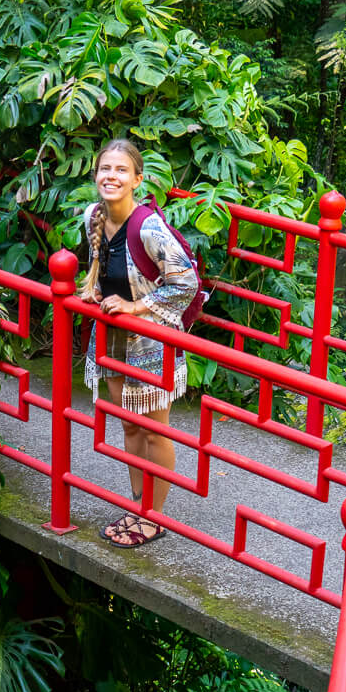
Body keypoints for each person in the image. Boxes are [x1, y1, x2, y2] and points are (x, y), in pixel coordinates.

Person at [77, 137, 203, 547]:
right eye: (105, 169)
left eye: (120, 170)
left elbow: (187, 281)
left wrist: (136, 306)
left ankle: (155, 517)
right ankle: (136, 509)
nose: (110, 177)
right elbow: (103, 263)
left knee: (154, 431)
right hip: (111, 338)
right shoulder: (93, 216)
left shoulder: (148, 226)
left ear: (137, 180)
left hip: (151, 342)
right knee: (129, 426)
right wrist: (94, 289)